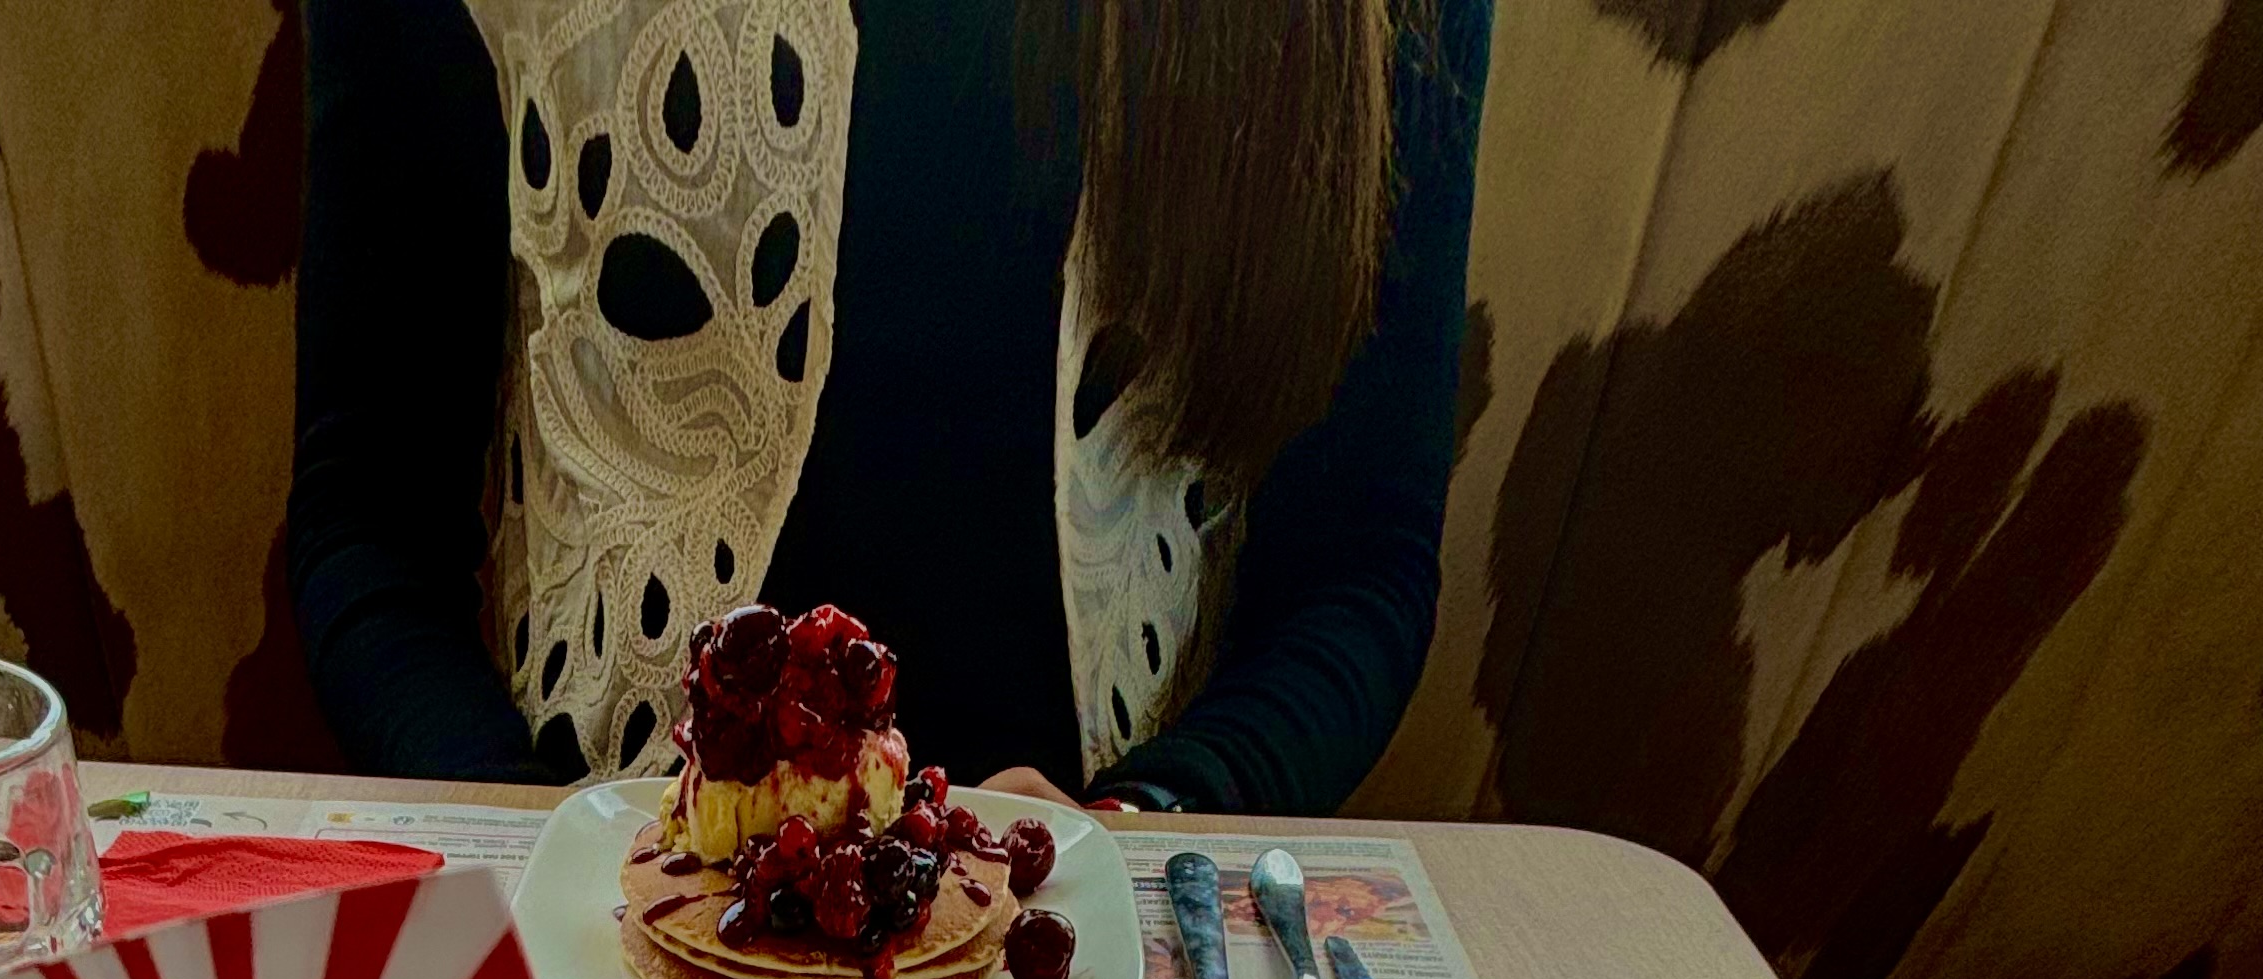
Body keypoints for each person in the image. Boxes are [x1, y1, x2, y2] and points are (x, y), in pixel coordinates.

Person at [289, 0, 1491, 813]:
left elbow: (1357, 563)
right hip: (589, 887)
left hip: (1109, 931)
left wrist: (1145, 824)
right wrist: (533, 841)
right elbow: (369, 516)